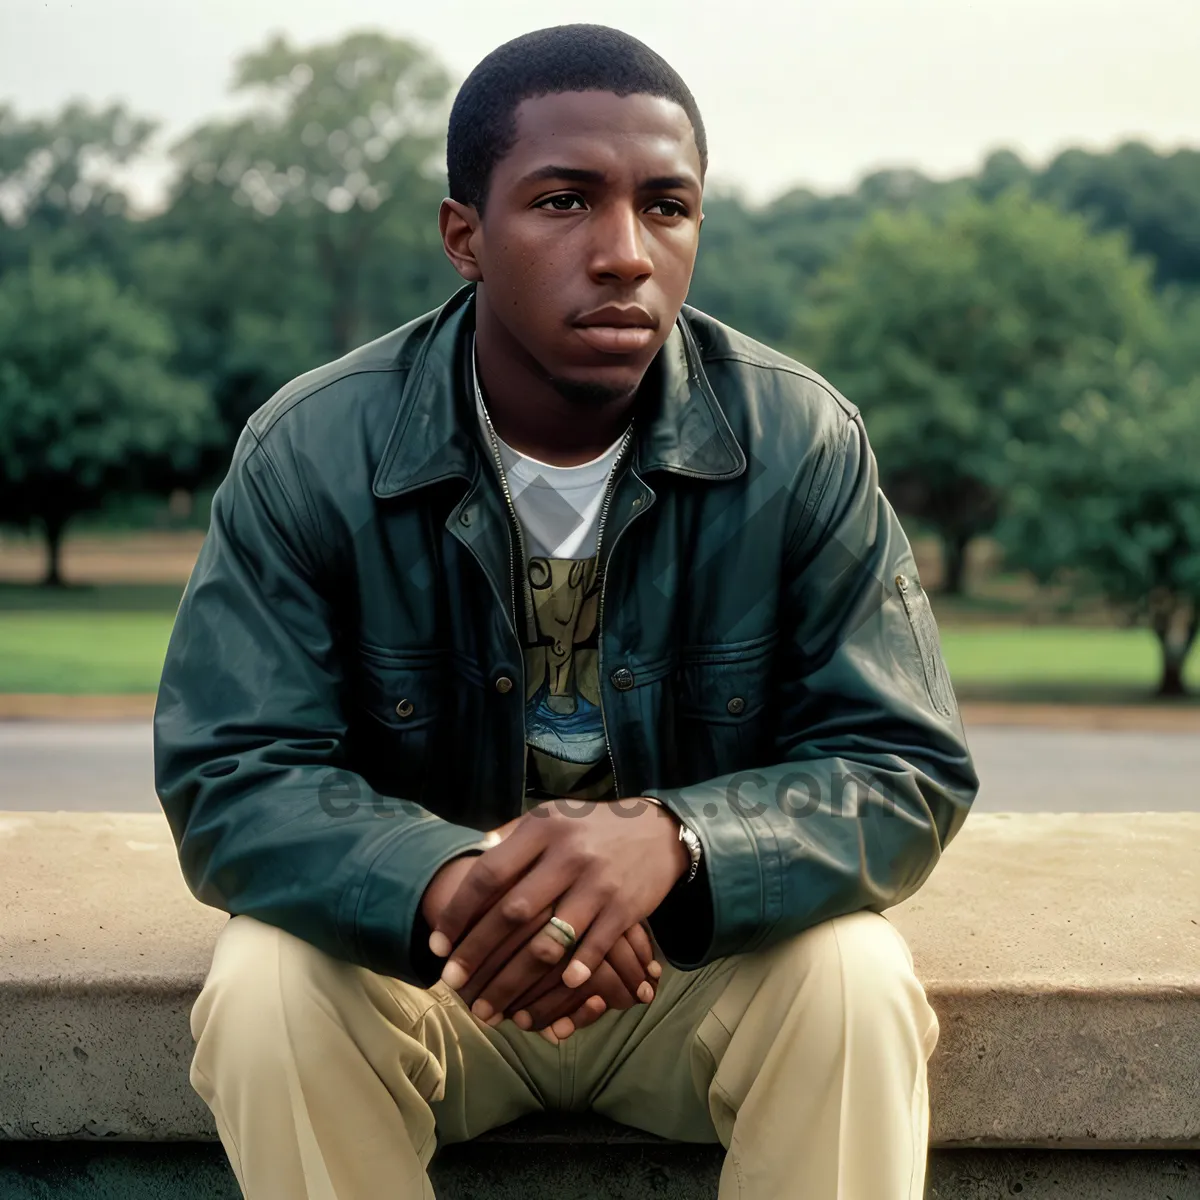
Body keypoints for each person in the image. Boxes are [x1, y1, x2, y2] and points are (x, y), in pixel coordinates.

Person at [154, 23, 979, 1200]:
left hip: (691, 971)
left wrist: (676, 845)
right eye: (563, 202)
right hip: (435, 969)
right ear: (464, 237)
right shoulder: (311, 449)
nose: (625, 254)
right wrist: (449, 883)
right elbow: (232, 776)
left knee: (858, 980)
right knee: (265, 989)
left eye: (667, 207)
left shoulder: (800, 442)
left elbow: (903, 767)